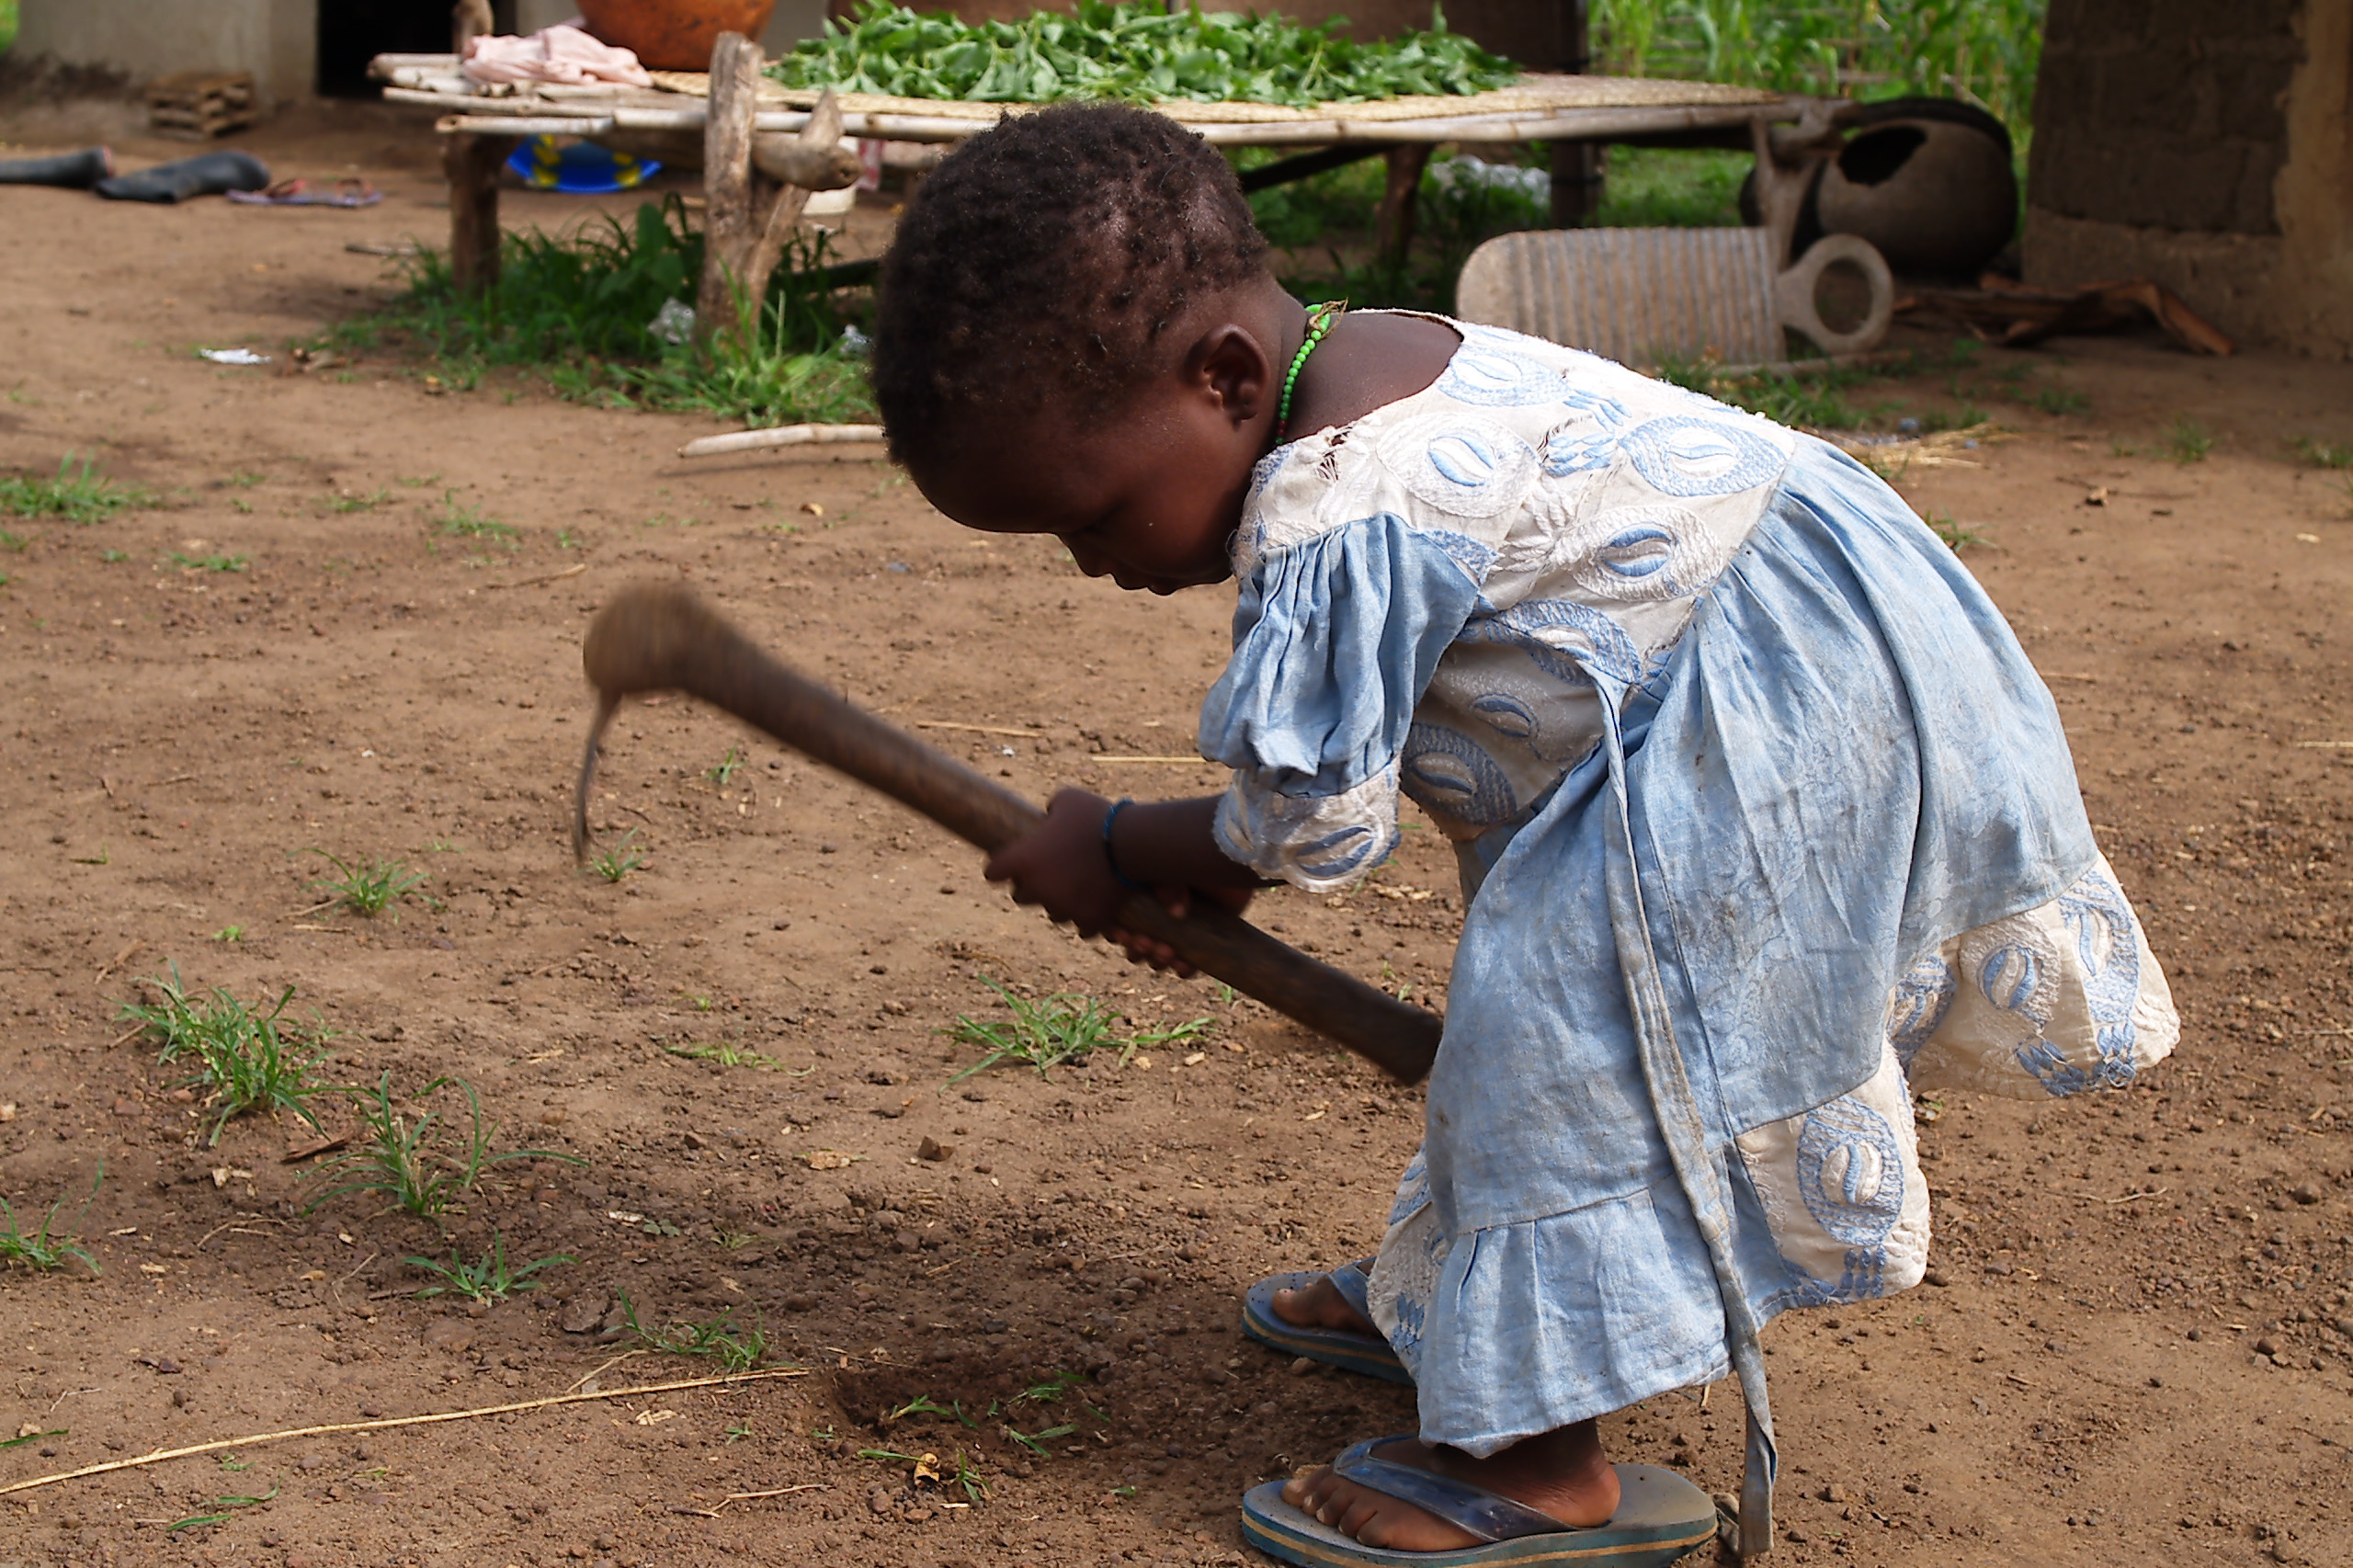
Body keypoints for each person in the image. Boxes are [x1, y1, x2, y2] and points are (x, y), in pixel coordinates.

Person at [870, 102, 2178, 1566]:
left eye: (1091, 514)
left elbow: (1308, 821)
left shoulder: (1334, 498)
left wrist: (1117, 841)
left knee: (1572, 1044)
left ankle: (1530, 1463)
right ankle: (1467, 1297)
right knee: (1531, 1020)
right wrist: (1171, 861)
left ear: (1223, 378)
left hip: (1756, 724)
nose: (1094, 562)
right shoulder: (1376, 360)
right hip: (1802, 640)